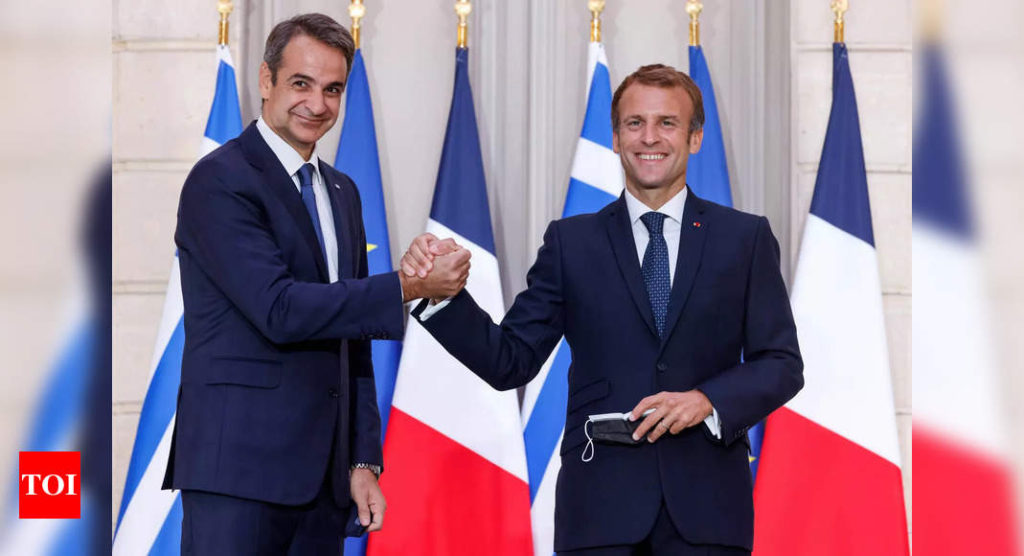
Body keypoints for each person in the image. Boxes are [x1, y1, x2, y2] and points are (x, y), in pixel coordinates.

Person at [402, 64, 803, 555]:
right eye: (635, 123)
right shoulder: (571, 243)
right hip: (598, 513)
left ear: (695, 138)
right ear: (615, 138)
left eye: (667, 123)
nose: (649, 137)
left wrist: (706, 400)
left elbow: (781, 363)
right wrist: (440, 295)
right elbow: (510, 360)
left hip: (708, 511)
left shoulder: (744, 238)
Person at [163, 13, 469, 555]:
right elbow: (279, 309)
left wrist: (362, 460)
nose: (317, 103)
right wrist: (407, 286)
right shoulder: (220, 180)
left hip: (323, 483)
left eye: (332, 89)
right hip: (237, 475)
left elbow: (353, 338)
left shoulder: (342, 192)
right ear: (266, 80)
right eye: (301, 83)